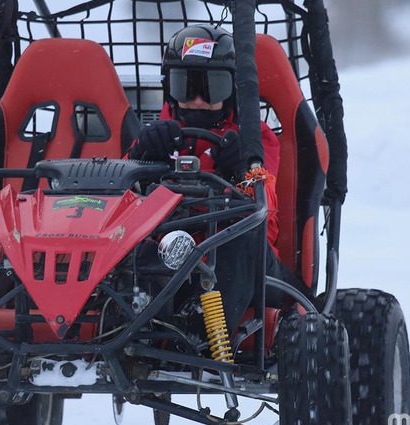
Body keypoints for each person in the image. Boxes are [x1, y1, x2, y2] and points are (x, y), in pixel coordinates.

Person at [126, 24, 301, 333]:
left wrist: (241, 173)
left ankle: (200, 340)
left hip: (249, 261)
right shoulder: (157, 136)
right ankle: (120, 336)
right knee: (128, 246)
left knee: (238, 241)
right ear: (170, 89)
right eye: (186, 87)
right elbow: (118, 201)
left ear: (232, 90)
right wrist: (139, 158)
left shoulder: (255, 138)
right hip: (170, 255)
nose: (197, 100)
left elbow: (266, 211)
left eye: (211, 88)